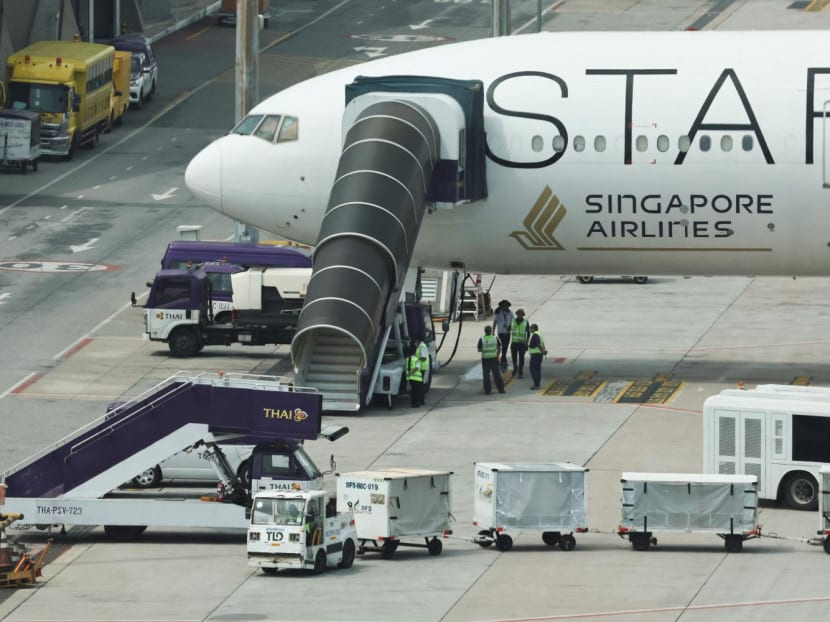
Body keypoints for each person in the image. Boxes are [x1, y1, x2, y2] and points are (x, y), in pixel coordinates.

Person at [477, 325, 505, 395]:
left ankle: (487, 391)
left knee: (486, 376)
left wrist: (485, 349)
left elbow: (479, 349)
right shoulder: (495, 338)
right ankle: (501, 390)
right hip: (494, 358)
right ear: (491, 331)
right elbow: (499, 348)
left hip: (485, 359)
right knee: (497, 375)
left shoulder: (482, 339)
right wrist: (497, 355)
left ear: (485, 331)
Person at [492, 299, 514, 372]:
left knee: (506, 346)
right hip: (501, 332)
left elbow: (512, 321)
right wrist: (493, 331)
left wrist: (510, 327)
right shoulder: (498, 312)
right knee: (501, 346)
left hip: (507, 332)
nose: (506, 307)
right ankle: (502, 359)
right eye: (504, 306)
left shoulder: (510, 313)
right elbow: (495, 322)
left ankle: (503, 358)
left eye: (507, 306)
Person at [510, 308, 530, 378]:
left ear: (523, 315)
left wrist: (527, 341)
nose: (520, 315)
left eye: (521, 314)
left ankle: (520, 371)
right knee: (514, 357)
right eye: (518, 313)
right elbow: (509, 329)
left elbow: (528, 332)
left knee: (521, 358)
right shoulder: (512, 321)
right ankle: (515, 368)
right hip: (514, 343)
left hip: (522, 343)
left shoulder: (525, 322)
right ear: (517, 314)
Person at [527, 323, 548, 390]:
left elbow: (538, 344)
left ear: (533, 328)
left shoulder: (535, 335)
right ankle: (537, 383)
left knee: (533, 369)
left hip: (536, 354)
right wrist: (543, 351)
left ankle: (536, 384)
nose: (530, 329)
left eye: (530, 328)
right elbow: (543, 344)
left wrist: (543, 351)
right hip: (538, 354)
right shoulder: (539, 334)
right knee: (537, 369)